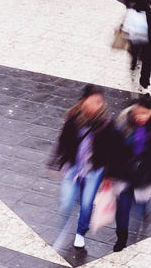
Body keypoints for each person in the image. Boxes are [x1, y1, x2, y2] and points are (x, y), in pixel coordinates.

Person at [49, 85, 121, 250]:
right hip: (73, 166)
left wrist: (110, 174)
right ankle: (65, 224)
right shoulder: (73, 119)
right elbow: (63, 141)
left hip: (94, 170)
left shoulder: (107, 124)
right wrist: (56, 161)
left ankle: (81, 232)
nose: (97, 105)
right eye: (93, 101)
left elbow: (113, 150)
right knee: (66, 202)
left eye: (99, 102)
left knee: (87, 203)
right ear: (84, 101)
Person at [110, 95, 151, 252]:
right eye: (138, 112)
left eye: (144, 113)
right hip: (123, 174)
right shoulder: (122, 126)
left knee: (140, 204)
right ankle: (121, 237)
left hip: (144, 176)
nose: (140, 117)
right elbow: (112, 150)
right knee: (122, 208)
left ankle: (144, 216)